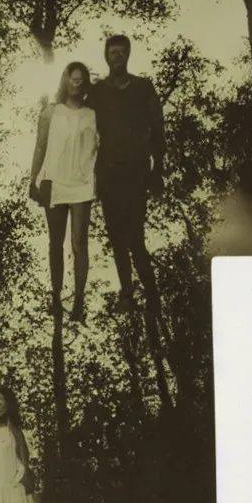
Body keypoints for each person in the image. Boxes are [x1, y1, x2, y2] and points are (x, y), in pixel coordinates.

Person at [89, 34, 165, 313]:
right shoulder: (97, 92)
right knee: (116, 236)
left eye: (122, 52)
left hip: (136, 172)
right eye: (113, 52)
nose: (117, 56)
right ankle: (127, 295)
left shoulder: (144, 87)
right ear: (106, 56)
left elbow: (158, 128)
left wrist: (158, 169)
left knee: (135, 237)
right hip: (108, 172)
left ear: (128, 55)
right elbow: (82, 125)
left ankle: (152, 294)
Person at [29, 61, 98, 323]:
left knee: (79, 242)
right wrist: (32, 179)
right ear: (65, 80)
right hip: (53, 181)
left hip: (82, 183)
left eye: (81, 79)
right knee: (55, 243)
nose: (76, 83)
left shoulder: (93, 114)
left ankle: (79, 298)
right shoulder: (51, 112)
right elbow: (39, 147)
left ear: (85, 83)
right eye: (72, 78)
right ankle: (56, 297)